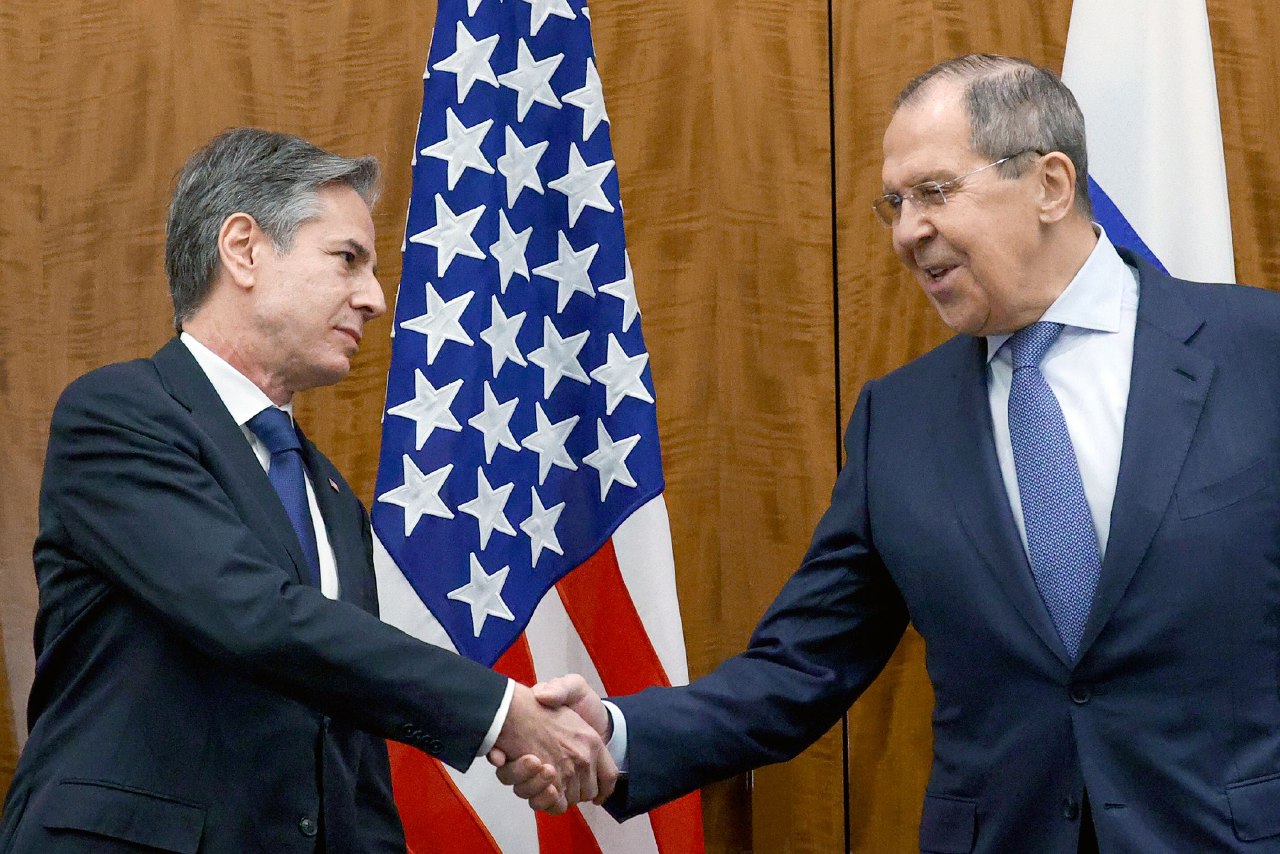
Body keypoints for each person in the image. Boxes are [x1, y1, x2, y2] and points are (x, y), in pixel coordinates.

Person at [494, 54, 1280, 851]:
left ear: (1050, 185)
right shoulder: (900, 421)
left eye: (935, 192)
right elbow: (801, 667)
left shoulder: (1259, 355)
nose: (907, 233)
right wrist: (616, 732)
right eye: (896, 204)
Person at [0, 128, 612, 852]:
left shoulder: (327, 492)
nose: (375, 298)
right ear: (244, 249)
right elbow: (253, 613)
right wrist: (500, 713)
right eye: (347, 259)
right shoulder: (120, 415)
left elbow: (349, 743)